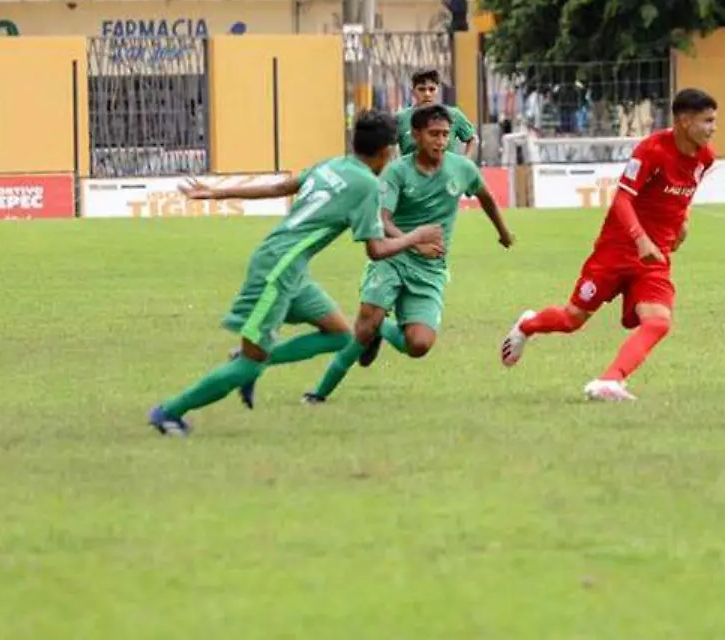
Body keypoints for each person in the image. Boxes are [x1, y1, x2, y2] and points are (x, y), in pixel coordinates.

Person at [148, 109, 445, 435]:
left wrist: (217, 192)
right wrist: (417, 237)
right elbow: (375, 250)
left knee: (342, 335)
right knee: (250, 361)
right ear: (387, 151)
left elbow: (280, 189)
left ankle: (252, 363)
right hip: (278, 269)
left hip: (292, 268)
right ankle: (169, 411)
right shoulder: (367, 186)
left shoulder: (332, 164)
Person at [499, 88, 719, 400]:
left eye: (714, 121)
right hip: (617, 249)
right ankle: (528, 325)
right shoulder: (652, 149)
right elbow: (622, 198)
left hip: (655, 256)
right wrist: (640, 239)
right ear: (684, 121)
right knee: (571, 319)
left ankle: (610, 381)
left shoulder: (705, 158)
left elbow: (685, 194)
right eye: (707, 121)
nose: (713, 128)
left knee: (658, 322)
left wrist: (682, 223)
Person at [302, 104, 515, 404]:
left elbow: (486, 197)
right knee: (364, 326)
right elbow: (383, 219)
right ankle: (319, 393)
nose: (441, 141)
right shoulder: (397, 171)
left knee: (419, 345)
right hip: (392, 257)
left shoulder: (462, 168)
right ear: (416, 135)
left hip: (430, 268)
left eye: (445, 135)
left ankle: (384, 331)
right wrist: (414, 242)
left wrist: (503, 232)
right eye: (434, 134)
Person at [397, 68, 478, 159]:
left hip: (447, 171)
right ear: (413, 91)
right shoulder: (401, 118)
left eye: (431, 89)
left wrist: (466, 161)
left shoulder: (453, 115)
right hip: (410, 171)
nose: (427, 94)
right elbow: (387, 145)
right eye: (421, 89)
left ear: (438, 90)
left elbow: (471, 139)